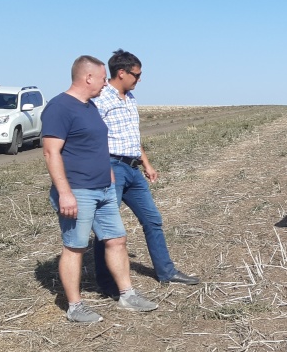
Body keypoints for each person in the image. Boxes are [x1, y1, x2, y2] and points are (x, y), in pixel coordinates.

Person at [42, 55, 159, 323]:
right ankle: (75, 306)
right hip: (78, 190)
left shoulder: (89, 107)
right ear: (88, 78)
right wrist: (65, 192)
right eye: (103, 78)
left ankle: (127, 294)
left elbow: (98, 144)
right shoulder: (60, 107)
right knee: (75, 247)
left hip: (104, 187)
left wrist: (108, 175)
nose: (106, 83)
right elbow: (51, 153)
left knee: (117, 240)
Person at [93, 49, 200, 296]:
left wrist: (146, 163)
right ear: (122, 73)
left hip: (132, 169)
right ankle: (106, 283)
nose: (139, 80)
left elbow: (132, 136)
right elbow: (92, 138)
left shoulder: (130, 98)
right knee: (108, 228)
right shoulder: (100, 99)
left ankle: (166, 272)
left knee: (152, 219)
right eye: (136, 75)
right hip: (111, 168)